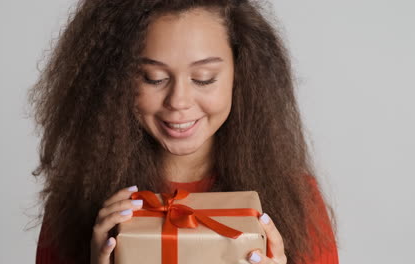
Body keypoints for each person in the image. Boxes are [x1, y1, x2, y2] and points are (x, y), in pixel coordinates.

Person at [28, 1, 339, 263]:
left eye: (203, 79)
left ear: (241, 74)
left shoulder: (298, 201)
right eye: (153, 78)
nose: (179, 102)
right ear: (116, 80)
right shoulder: (73, 203)